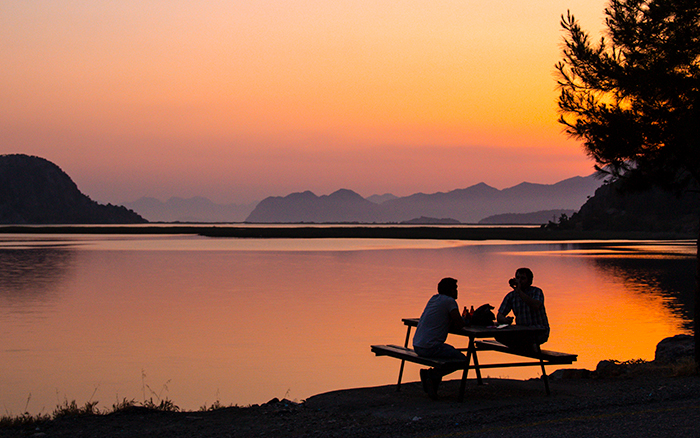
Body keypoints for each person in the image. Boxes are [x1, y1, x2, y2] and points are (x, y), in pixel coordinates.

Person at [413, 277, 466, 399]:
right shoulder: (450, 301)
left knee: (445, 355)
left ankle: (431, 381)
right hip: (430, 347)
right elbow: (459, 323)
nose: (457, 292)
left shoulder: (434, 299)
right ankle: (431, 375)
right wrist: (468, 321)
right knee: (462, 360)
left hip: (417, 345)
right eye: (456, 289)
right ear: (452, 291)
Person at [496, 267, 550, 350]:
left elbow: (535, 305)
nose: (520, 281)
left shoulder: (536, 291)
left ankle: (527, 345)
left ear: (530, 281)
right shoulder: (511, 296)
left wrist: (519, 292)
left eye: (523, 278)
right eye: (518, 278)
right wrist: (504, 320)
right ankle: (528, 346)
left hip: (539, 331)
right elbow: (499, 315)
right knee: (498, 336)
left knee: (528, 338)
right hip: (522, 332)